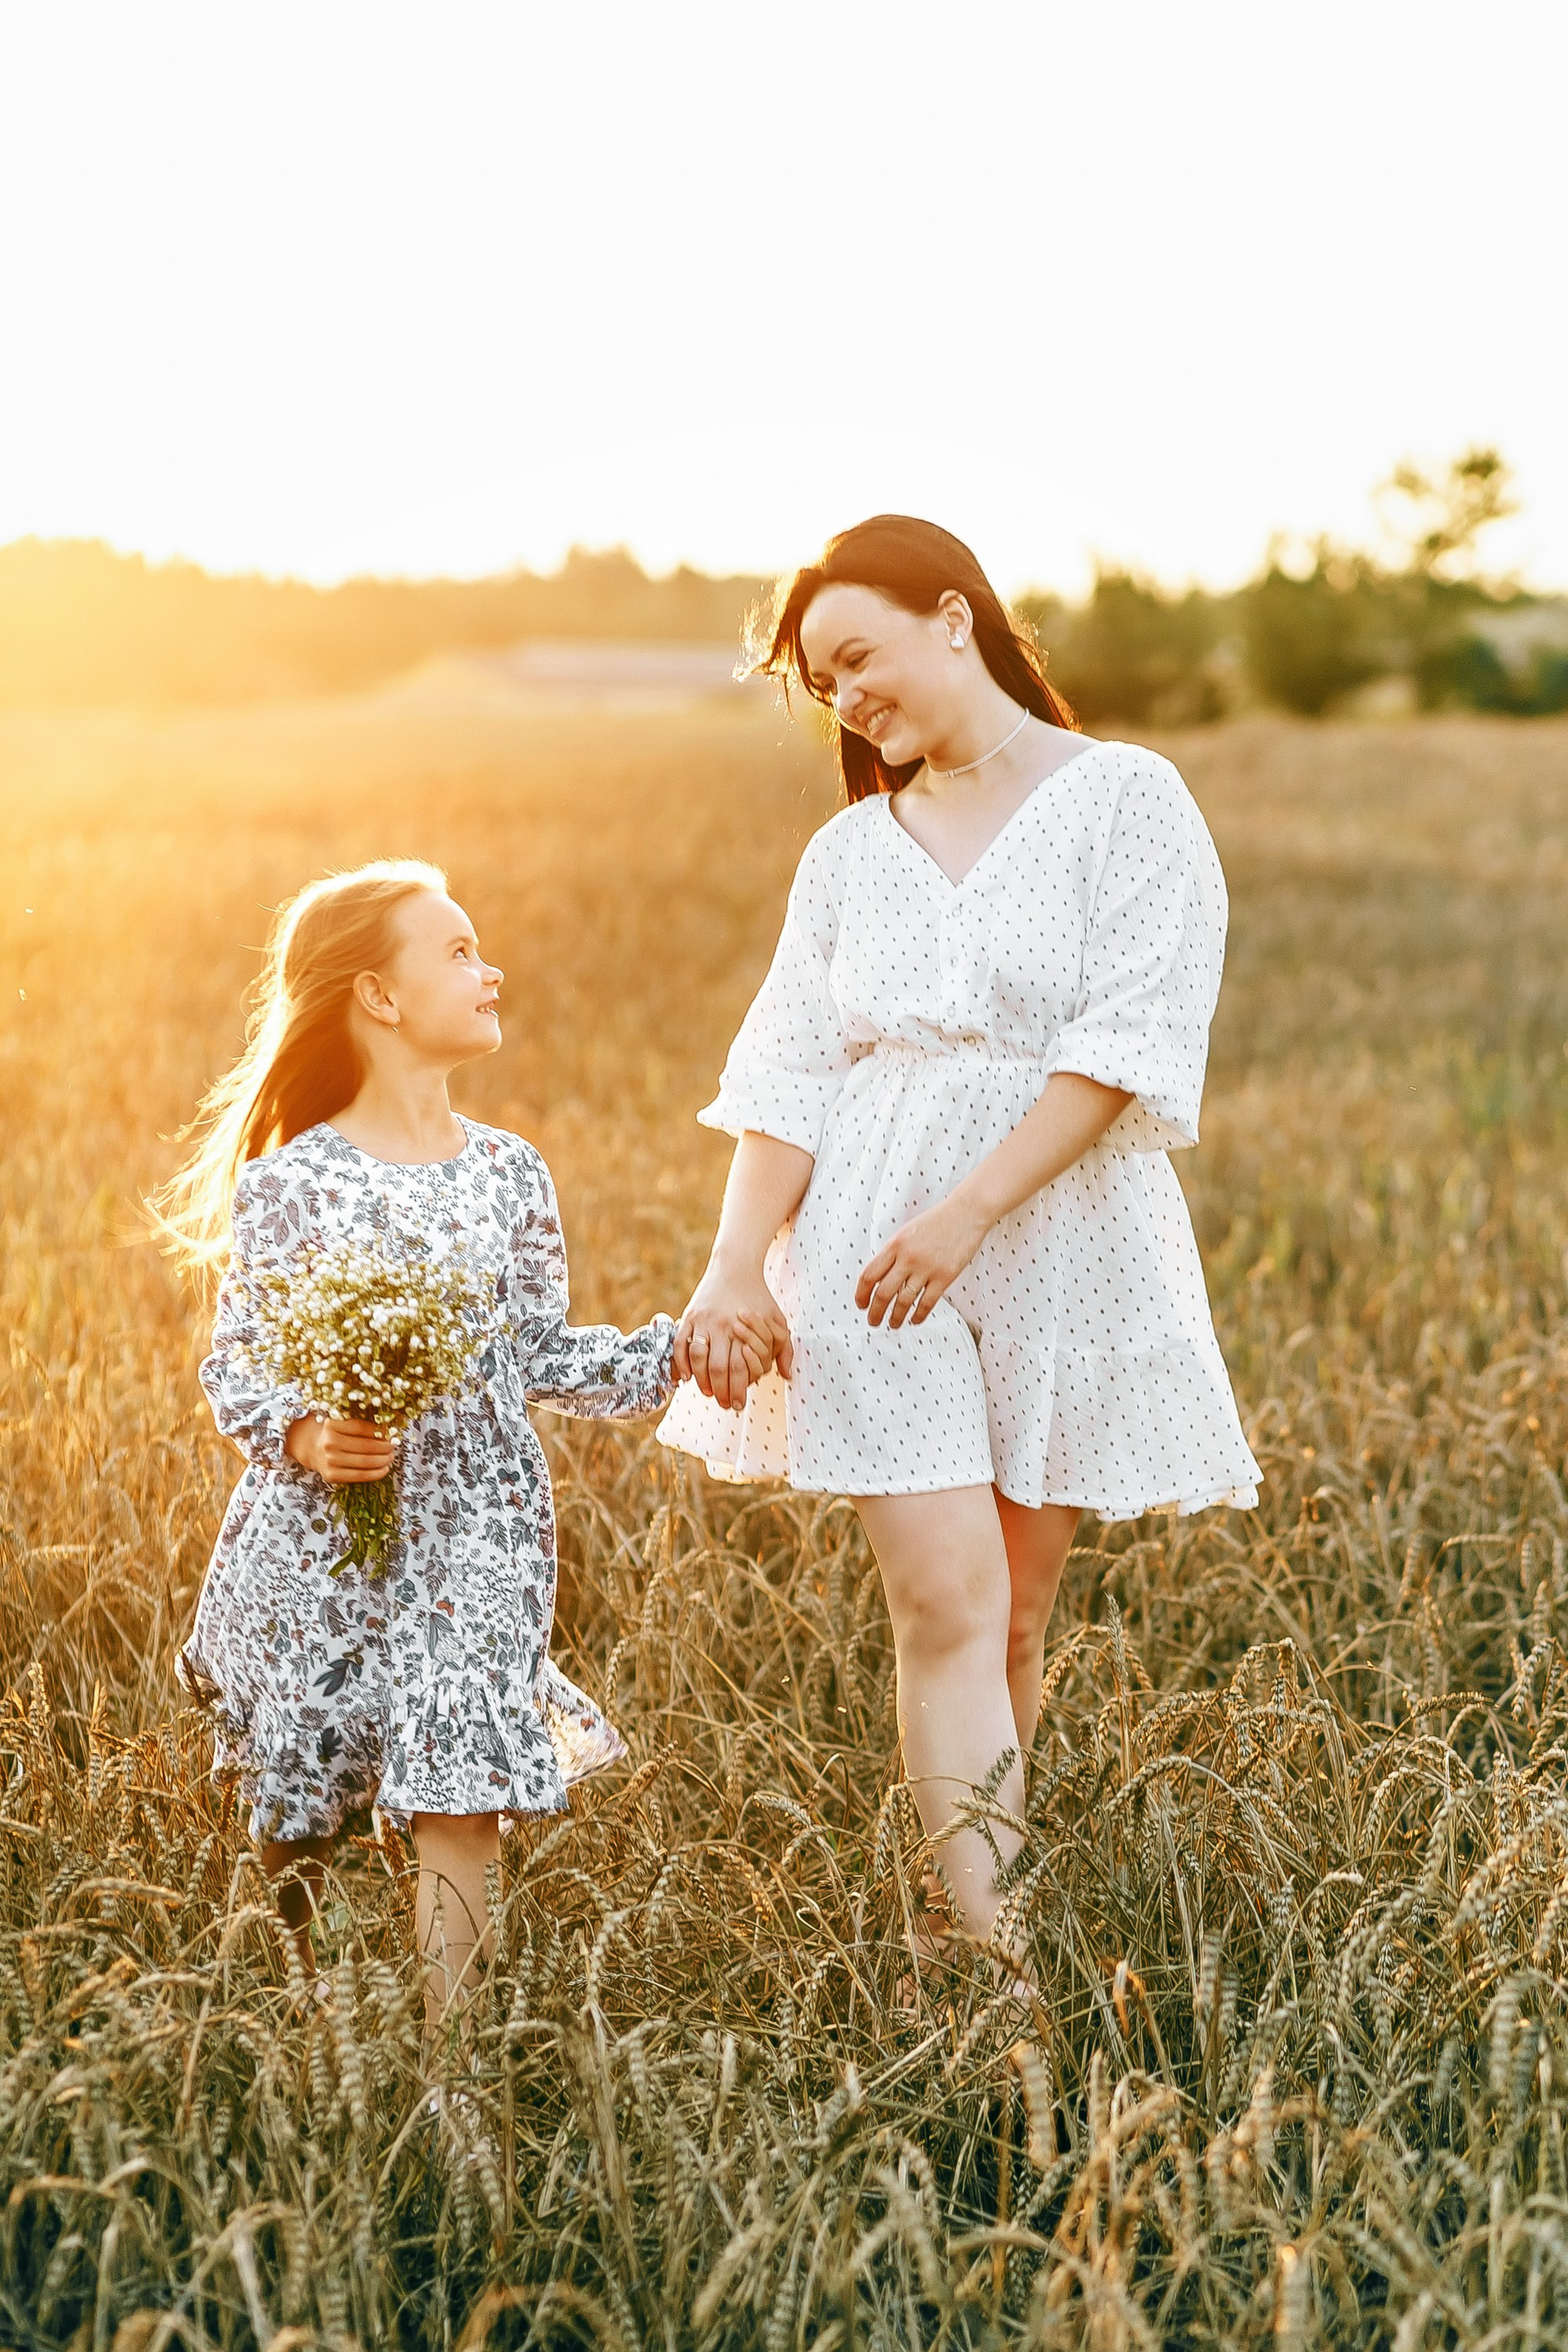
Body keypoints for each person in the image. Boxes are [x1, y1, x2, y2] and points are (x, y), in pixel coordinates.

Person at [659, 516, 1260, 1976]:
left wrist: (973, 1209)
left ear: (953, 618)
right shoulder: (850, 855)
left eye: (859, 657)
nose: (849, 700)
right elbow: (789, 1075)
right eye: (825, 684)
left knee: (1015, 1611)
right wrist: (737, 1262)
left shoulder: (1128, 799)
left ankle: (959, 1912)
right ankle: (997, 1962)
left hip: (1064, 1239)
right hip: (873, 1255)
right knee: (944, 1600)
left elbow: (1132, 1041)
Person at [154, 860, 736, 2038]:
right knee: (301, 1800)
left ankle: (450, 2072)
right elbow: (238, 1366)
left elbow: (532, 1351)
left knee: (460, 1778)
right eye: (459, 952)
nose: (491, 970)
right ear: (376, 994)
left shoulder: (510, 1172)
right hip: (322, 1539)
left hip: (481, 1527)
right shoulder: (293, 1182)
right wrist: (309, 1432)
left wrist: (689, 1348)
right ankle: (281, 2017)